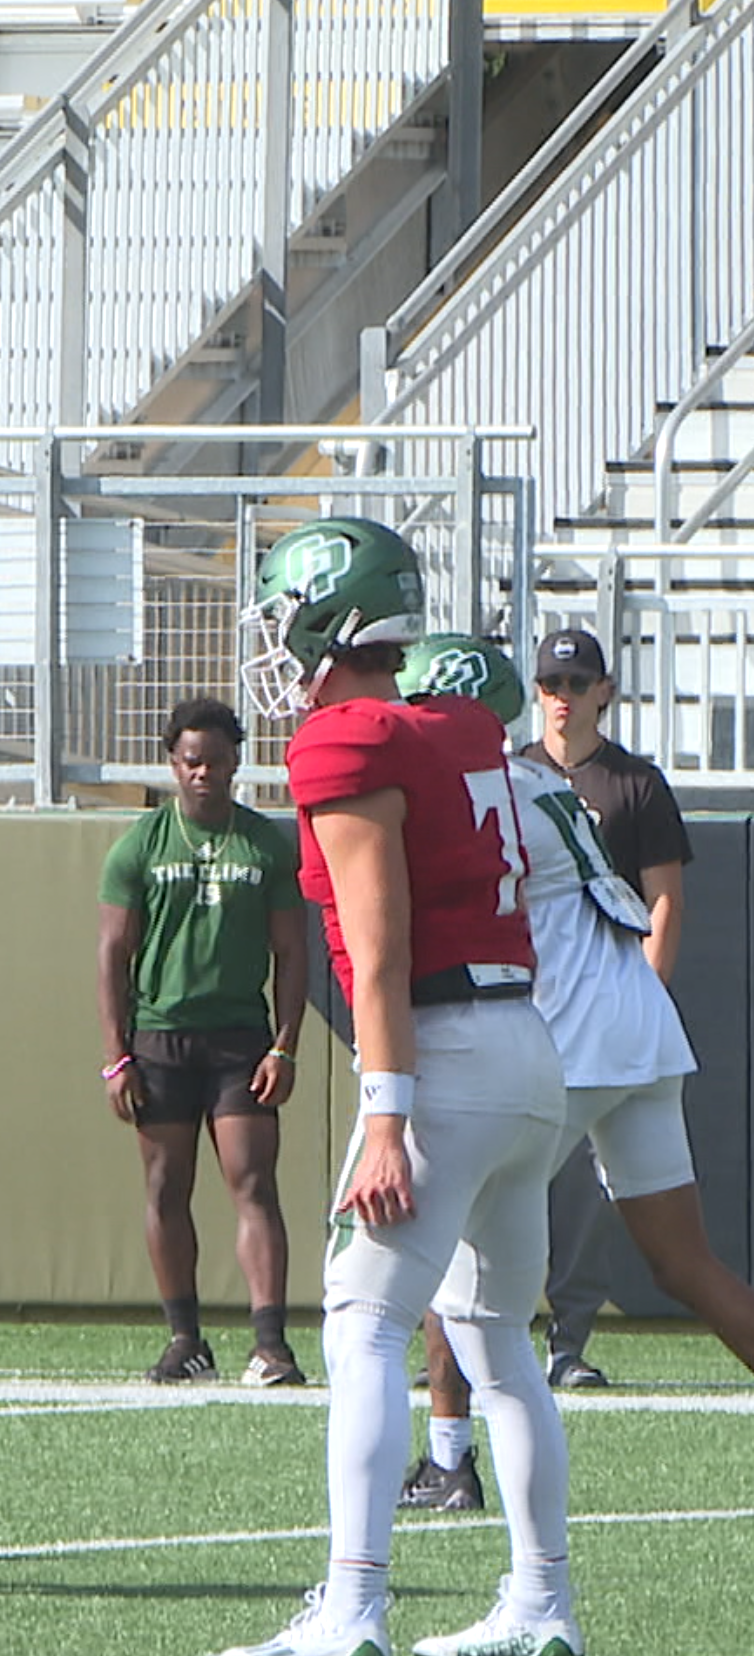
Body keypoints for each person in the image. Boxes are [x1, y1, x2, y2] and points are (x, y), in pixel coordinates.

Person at [216, 519, 574, 1656]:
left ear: (331, 615)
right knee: (495, 1333)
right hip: (526, 1045)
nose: (276, 640)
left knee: (365, 1324)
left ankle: (355, 1607)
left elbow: (374, 953)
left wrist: (385, 1114)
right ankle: (541, 1604)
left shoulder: (348, 740)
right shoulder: (461, 720)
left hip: (446, 1054)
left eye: (285, 614)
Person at [391, 636, 754, 1522]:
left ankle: (448, 1459)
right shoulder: (548, 782)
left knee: (453, 1259)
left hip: (576, 1035)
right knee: (684, 1262)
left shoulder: (481, 785)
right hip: (641, 1025)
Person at [96, 697, 312, 1386]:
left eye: (217, 763)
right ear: (171, 763)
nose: (204, 775)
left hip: (239, 1040)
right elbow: (111, 953)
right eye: (192, 762)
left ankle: (271, 1342)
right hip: (160, 1038)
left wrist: (284, 1045)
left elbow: (292, 951)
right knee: (165, 1187)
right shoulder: (141, 843)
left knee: (253, 1182)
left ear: (236, 764)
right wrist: (116, 1055)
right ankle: (184, 1337)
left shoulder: (263, 845)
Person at [515, 625, 692, 1390]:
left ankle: (566, 1339)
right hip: (527, 1007)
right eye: (551, 686)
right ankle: (471, 1346)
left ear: (604, 692)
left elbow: (665, 903)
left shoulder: (635, 784)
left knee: (584, 1193)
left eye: (576, 685)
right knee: (507, 1180)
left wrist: (640, 1001)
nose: (562, 699)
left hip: (606, 1014)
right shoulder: (510, 773)